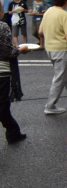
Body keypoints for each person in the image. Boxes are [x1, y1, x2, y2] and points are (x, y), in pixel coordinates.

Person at [0, 8, 29, 144]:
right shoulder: (2, 26)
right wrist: (19, 50)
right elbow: (7, 52)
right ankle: (13, 132)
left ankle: (13, 132)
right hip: (2, 71)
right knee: (2, 105)